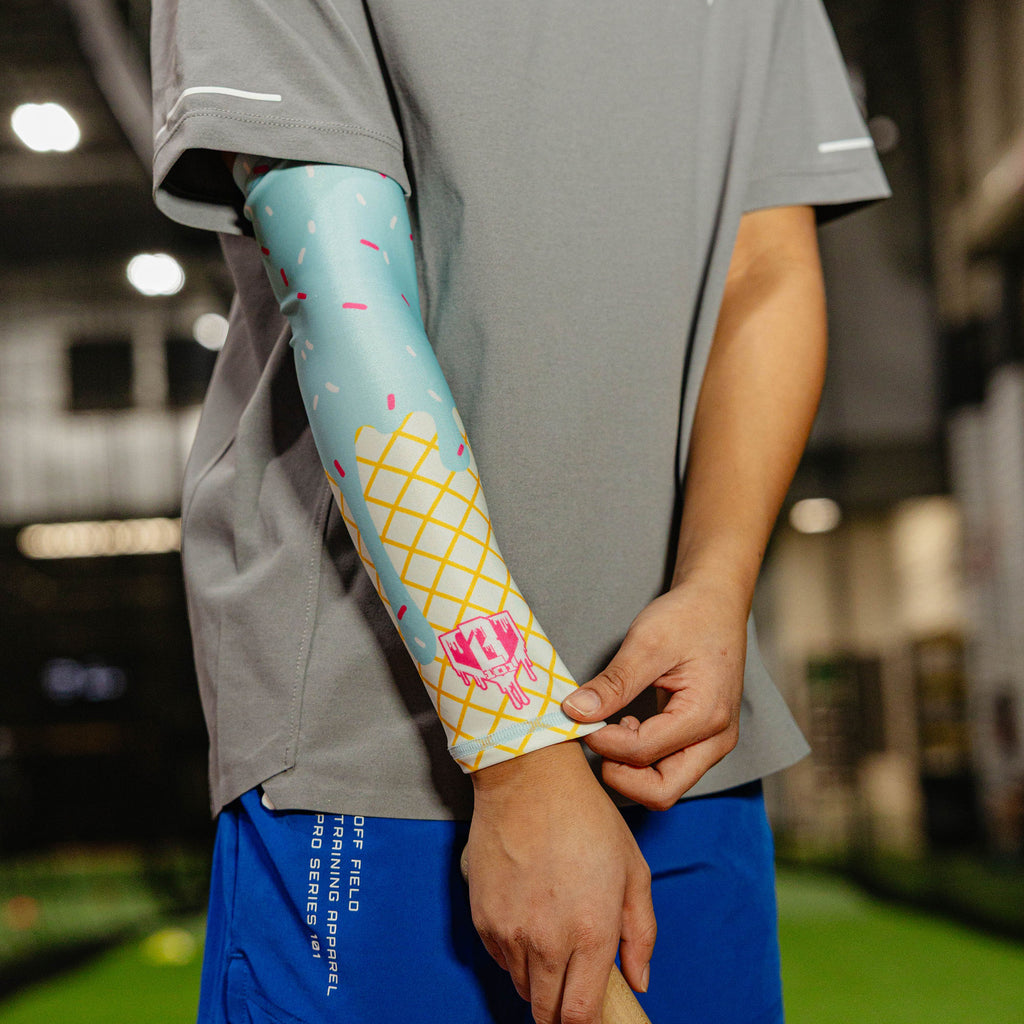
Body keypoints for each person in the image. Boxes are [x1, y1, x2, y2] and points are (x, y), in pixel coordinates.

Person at [150, 2, 889, 1022]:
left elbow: (762, 265)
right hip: (388, 743)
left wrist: (717, 583)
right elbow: (341, 280)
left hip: (677, 735)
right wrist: (515, 746)